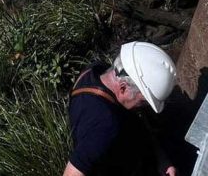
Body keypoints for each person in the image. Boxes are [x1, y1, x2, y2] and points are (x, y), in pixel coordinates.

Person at [63, 41, 178, 176]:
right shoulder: (105, 127)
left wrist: (161, 159)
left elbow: (137, 119)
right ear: (123, 87)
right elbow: (72, 173)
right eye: (143, 101)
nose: (144, 107)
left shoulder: (96, 70)